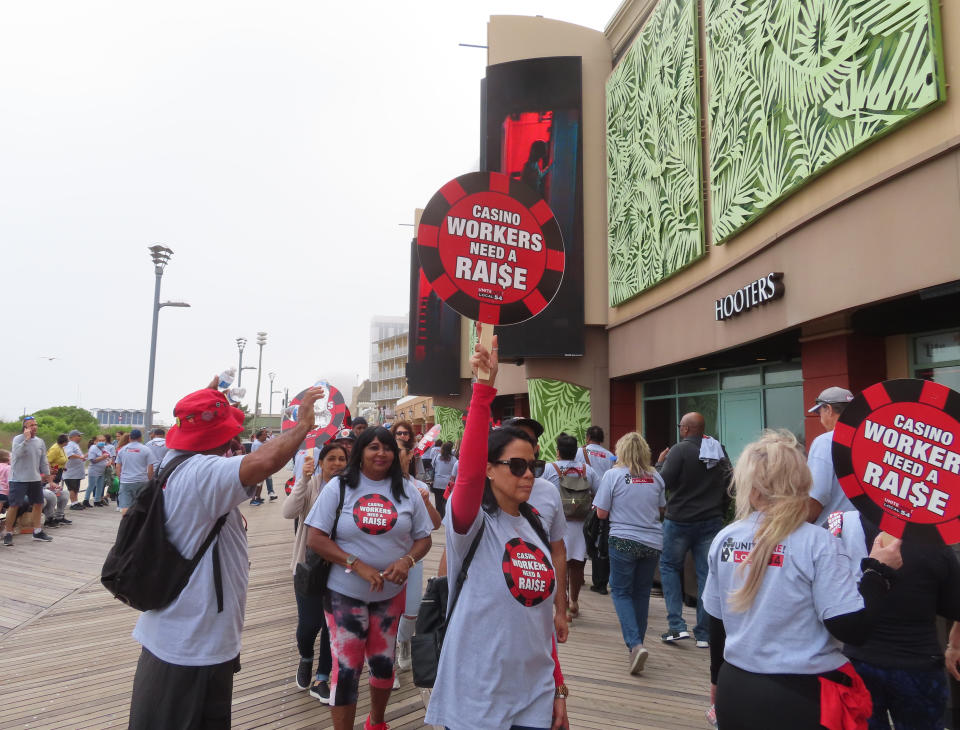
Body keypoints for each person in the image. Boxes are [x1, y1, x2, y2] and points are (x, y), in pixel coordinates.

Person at [128, 378, 327, 730]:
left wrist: (211, 401)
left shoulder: (175, 462)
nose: (235, 440)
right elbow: (264, 461)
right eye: (230, 433)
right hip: (188, 647)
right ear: (219, 438)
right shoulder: (200, 473)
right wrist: (304, 427)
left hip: (187, 637)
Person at [703, 430, 903, 730]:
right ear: (802, 481)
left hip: (736, 688)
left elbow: (716, 622)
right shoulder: (818, 543)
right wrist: (878, 572)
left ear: (749, 486)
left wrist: (717, 680)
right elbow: (850, 628)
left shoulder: (725, 538)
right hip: (801, 698)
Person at [426, 336, 568, 730]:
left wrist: (558, 688)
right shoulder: (472, 524)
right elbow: (468, 473)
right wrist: (483, 390)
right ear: (491, 469)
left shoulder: (535, 523)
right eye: (517, 465)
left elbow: (538, 619)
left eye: (534, 467)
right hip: (478, 694)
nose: (528, 474)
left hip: (535, 694)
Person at [304, 427, 433, 730]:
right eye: (373, 447)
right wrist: (356, 564)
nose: (382, 453)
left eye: (387, 447)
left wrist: (407, 559)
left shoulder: (407, 490)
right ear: (360, 452)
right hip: (343, 594)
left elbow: (424, 538)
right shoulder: (339, 487)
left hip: (389, 597)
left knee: (383, 665)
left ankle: (376, 722)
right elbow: (316, 538)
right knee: (347, 669)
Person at [830, 510, 960, 729]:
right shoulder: (934, 541)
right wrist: (954, 645)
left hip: (857, 661)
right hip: (918, 667)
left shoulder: (840, 525)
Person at [593, 431, 666, 675]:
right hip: (652, 542)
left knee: (621, 591)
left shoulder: (613, 475)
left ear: (621, 452)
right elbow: (661, 508)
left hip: (623, 540)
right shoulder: (656, 477)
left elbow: (601, 513)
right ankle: (637, 646)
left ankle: (635, 645)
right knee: (641, 594)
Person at [655, 412, 731, 647]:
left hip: (679, 520)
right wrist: (720, 509)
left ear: (686, 429)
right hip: (711, 521)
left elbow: (662, 482)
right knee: (706, 574)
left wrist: (659, 463)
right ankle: (704, 633)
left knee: (668, 567)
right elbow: (731, 483)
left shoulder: (679, 450)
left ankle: (677, 626)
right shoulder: (719, 450)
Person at [285, 441, 349, 703]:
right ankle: (305, 656)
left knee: (329, 625)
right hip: (308, 567)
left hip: (339, 568)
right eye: (330, 458)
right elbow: (288, 512)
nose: (336, 464)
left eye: (342, 459)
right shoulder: (311, 486)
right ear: (321, 462)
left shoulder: (352, 490)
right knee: (309, 624)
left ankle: (322, 677)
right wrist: (303, 479)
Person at [394, 443, 442, 680]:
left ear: (410, 455)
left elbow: (435, 524)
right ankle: (386, 663)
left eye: (399, 451)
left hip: (413, 557)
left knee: (411, 611)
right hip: (384, 559)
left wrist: (425, 502)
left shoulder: (419, 486)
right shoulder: (380, 485)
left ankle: (404, 642)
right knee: (386, 611)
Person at [544, 432, 598, 621]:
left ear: (558, 452)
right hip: (580, 525)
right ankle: (574, 601)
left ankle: (564, 603)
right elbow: (598, 494)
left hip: (557, 525)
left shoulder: (549, 469)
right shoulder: (587, 470)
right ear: (576, 452)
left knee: (559, 565)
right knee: (577, 566)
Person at [806, 386, 856, 525]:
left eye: (820, 412)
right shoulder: (870, 439)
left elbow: (816, 497)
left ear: (828, 409)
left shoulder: (825, 442)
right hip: (868, 533)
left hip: (832, 535)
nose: (820, 419)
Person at [3, 416, 53, 546]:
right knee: (14, 505)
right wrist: (26, 439)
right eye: (31, 425)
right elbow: (17, 454)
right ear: (25, 427)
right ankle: (8, 532)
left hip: (35, 478)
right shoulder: (17, 439)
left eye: (35, 424)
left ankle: (37, 531)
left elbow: (43, 460)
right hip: (18, 479)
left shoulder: (40, 441)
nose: (34, 427)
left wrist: (48, 476)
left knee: (38, 503)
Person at [115, 429, 155, 515]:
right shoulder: (146, 449)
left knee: (125, 507)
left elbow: (118, 466)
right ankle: (138, 526)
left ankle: (126, 526)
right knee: (141, 506)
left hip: (126, 482)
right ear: (140, 438)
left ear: (129, 438)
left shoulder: (122, 450)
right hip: (142, 481)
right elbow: (150, 467)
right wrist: (150, 480)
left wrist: (120, 478)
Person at [249, 428, 278, 504]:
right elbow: (258, 456)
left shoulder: (262, 442)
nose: (266, 436)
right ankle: (253, 499)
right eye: (264, 435)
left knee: (261, 483)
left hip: (263, 466)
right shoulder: (257, 444)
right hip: (258, 466)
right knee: (258, 484)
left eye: (266, 434)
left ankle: (258, 497)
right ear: (259, 436)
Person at [430, 441, 457, 517]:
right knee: (446, 501)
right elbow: (454, 472)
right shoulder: (454, 459)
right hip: (447, 484)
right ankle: (445, 516)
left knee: (438, 501)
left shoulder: (437, 457)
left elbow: (433, 467)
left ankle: (439, 515)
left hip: (437, 482)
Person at [84, 435, 111, 507]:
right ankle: (86, 500)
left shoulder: (104, 448)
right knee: (91, 485)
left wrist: (109, 461)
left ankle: (97, 500)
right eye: (100, 441)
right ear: (95, 441)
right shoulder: (93, 448)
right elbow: (92, 460)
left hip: (102, 470)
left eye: (103, 441)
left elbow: (109, 456)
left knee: (100, 486)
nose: (102, 442)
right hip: (94, 470)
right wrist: (102, 457)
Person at [63, 429, 87, 506]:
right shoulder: (70, 444)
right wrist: (80, 457)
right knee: (72, 488)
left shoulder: (75, 445)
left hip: (76, 472)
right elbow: (69, 455)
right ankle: (73, 503)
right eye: (79, 436)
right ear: (73, 437)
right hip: (71, 472)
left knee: (76, 488)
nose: (80, 437)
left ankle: (76, 502)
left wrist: (84, 456)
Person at [47, 434, 69, 504]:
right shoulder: (55, 448)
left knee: (56, 488)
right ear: (64, 442)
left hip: (59, 469)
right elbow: (48, 460)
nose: (68, 442)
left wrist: (63, 467)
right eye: (67, 441)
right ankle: (51, 504)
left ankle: (55, 503)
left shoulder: (61, 447)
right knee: (53, 488)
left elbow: (59, 459)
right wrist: (50, 470)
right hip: (54, 470)